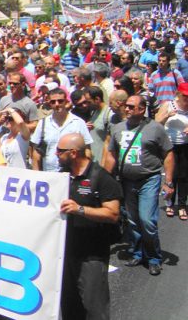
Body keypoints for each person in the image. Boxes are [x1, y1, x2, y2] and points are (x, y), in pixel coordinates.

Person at [105, 95, 174, 276]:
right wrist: (106, 178)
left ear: (142, 109)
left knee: (147, 220)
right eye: (125, 106)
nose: (126, 109)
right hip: (126, 181)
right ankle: (137, 252)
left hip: (149, 180)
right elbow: (111, 154)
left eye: (130, 106)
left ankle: (153, 258)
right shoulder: (117, 128)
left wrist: (168, 181)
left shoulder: (155, 129)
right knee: (133, 220)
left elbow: (168, 154)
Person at [57, 133, 122, 320]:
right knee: (69, 305)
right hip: (66, 253)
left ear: (73, 153)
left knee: (95, 308)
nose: (56, 154)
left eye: (60, 151)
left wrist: (80, 209)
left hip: (91, 255)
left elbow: (113, 213)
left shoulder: (101, 178)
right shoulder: (62, 176)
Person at [31, 88, 93, 172]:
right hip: (49, 173)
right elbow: (36, 152)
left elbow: (87, 149)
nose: (57, 104)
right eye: (53, 102)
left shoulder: (78, 122)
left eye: (60, 101)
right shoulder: (43, 123)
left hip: (73, 173)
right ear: (49, 103)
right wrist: (36, 174)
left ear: (66, 101)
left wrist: (84, 172)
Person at [154, 83, 188, 220]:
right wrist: (167, 115)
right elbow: (156, 123)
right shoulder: (168, 105)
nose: (187, 99)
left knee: (184, 176)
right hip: (169, 145)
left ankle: (182, 205)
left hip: (185, 144)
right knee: (171, 175)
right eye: (185, 96)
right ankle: (169, 203)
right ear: (178, 95)